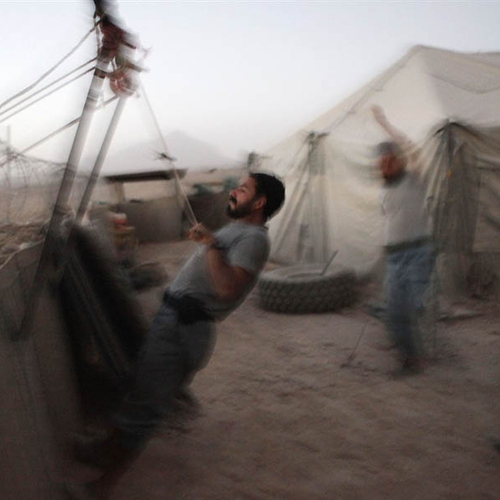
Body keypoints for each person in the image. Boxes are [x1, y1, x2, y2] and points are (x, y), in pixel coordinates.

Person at [71, 173, 285, 499]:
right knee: (139, 392)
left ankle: (100, 488)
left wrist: (210, 243)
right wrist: (211, 242)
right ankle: (101, 451)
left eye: (242, 189)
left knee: (144, 410)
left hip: (184, 327)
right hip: (174, 321)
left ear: (259, 202)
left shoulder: (254, 239)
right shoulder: (238, 231)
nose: (233, 192)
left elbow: (226, 288)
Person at [372, 105, 435, 374]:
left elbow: (413, 150)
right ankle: (408, 354)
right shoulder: (383, 190)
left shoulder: (415, 179)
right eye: (382, 162)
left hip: (418, 253)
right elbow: (391, 220)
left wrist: (384, 124)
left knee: (407, 308)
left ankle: (415, 356)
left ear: (400, 160)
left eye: (390, 160)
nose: (385, 165)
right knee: (394, 310)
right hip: (395, 256)